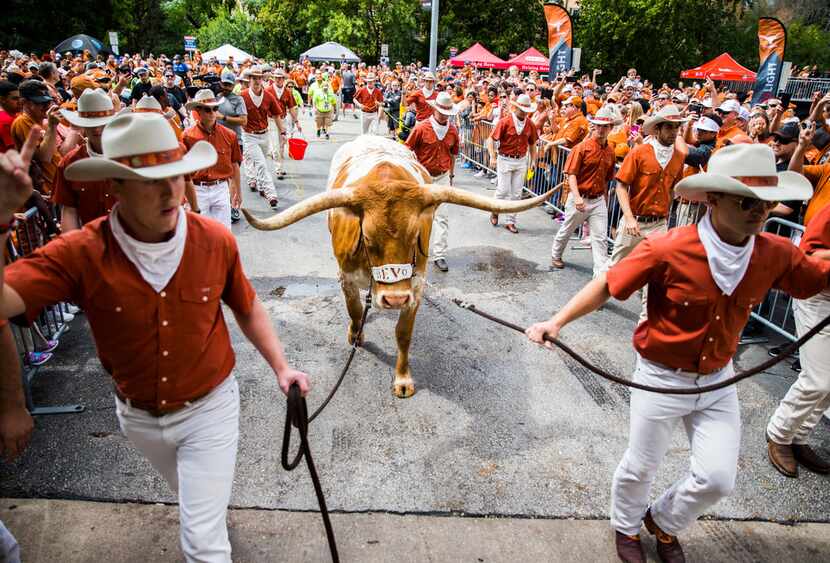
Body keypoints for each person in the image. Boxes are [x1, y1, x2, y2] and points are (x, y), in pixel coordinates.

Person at [0, 115, 310, 563]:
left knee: (203, 544)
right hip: (139, 419)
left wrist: (282, 367)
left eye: (176, 175)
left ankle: (207, 522)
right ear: (117, 187)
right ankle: (207, 509)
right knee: (195, 500)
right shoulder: (82, 252)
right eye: (150, 182)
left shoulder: (215, 240)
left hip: (211, 409)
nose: (170, 192)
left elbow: (247, 305)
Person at [526, 143, 829, 563]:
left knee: (717, 479)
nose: (759, 212)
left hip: (720, 379)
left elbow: (816, 279)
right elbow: (607, 285)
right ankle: (627, 528)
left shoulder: (776, 253)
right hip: (660, 376)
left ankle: (663, 522)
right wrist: (555, 322)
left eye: (767, 202)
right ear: (713, 198)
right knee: (641, 465)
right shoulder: (667, 248)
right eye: (747, 201)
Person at [607, 105, 688, 319]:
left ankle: (646, 319)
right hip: (635, 220)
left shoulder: (679, 157)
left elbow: (676, 188)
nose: (673, 132)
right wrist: (630, 218)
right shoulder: (640, 152)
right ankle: (597, 295)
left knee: (657, 272)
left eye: (677, 127)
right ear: (658, 129)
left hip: (659, 223)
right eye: (669, 127)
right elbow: (621, 186)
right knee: (616, 264)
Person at [550, 105, 619, 275]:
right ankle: (555, 254)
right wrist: (577, 197)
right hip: (579, 197)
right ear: (594, 126)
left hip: (598, 200)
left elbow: (607, 179)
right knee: (567, 229)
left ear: (611, 128)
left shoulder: (611, 152)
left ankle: (600, 277)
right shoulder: (581, 147)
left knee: (600, 238)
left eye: (606, 126)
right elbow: (571, 174)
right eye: (599, 126)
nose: (602, 130)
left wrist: (605, 199)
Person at [404, 91, 459, 272]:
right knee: (417, 217)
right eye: (442, 111)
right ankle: (413, 253)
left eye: (447, 112)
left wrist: (451, 176)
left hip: (442, 176)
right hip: (422, 176)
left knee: (442, 217)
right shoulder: (421, 127)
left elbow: (453, 154)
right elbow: (407, 149)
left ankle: (439, 254)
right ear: (435, 109)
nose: (444, 115)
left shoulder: (452, 131)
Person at [52, 88, 118, 231]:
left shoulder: (134, 154)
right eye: (91, 125)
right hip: (93, 244)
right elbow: (69, 211)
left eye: (102, 123)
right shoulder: (70, 163)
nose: (97, 130)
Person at [183, 89, 242, 230]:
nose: (212, 113)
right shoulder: (187, 136)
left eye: (215, 109)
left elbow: (235, 164)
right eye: (207, 110)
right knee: (198, 234)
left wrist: (238, 192)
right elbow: (182, 172)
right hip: (197, 189)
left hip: (221, 188)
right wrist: (185, 197)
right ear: (198, 111)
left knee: (224, 233)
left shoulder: (229, 135)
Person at [486, 93, 539, 234]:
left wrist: (533, 160)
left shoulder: (530, 124)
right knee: (502, 190)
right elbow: (491, 139)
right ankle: (495, 210)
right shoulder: (505, 121)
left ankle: (511, 221)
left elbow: (532, 144)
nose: (524, 112)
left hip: (521, 160)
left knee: (516, 193)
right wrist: (492, 156)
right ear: (516, 108)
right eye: (522, 109)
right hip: (505, 158)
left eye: (526, 110)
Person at [240, 66, 280, 209]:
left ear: (262, 80)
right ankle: (271, 194)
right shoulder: (242, 95)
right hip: (249, 135)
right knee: (261, 164)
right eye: (254, 78)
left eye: (259, 78)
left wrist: (282, 132)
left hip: (264, 134)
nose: (257, 81)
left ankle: (261, 186)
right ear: (249, 80)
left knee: (261, 163)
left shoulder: (268, 96)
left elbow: (276, 114)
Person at [216, 71, 247, 224]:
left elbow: (243, 120)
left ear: (233, 85)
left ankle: (234, 206)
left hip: (235, 141)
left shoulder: (238, 99)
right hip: (217, 142)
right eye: (224, 84)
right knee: (222, 176)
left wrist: (224, 118)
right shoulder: (216, 98)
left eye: (229, 84)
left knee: (233, 175)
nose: (226, 87)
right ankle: (224, 204)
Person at [268, 68, 300, 179]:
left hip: (283, 119)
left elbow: (291, 108)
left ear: (283, 79)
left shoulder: (287, 92)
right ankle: (278, 168)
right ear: (274, 78)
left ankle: (280, 167)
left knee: (281, 145)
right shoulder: (268, 90)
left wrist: (296, 121)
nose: (278, 80)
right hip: (271, 121)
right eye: (276, 77)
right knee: (276, 147)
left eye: (280, 78)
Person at [309, 74, 337, 140]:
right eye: (324, 87)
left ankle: (327, 133)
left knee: (328, 123)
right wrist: (314, 108)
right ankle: (318, 130)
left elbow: (334, 102)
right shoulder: (318, 93)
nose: (325, 88)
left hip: (328, 111)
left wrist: (335, 109)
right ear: (322, 87)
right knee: (319, 122)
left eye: (326, 87)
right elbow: (315, 101)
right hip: (319, 110)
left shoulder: (331, 94)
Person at [0, 81, 21, 152]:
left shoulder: (13, 115)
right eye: (15, 99)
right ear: (2, 99)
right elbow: (14, 151)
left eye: (20, 98)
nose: (19, 102)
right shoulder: (6, 120)